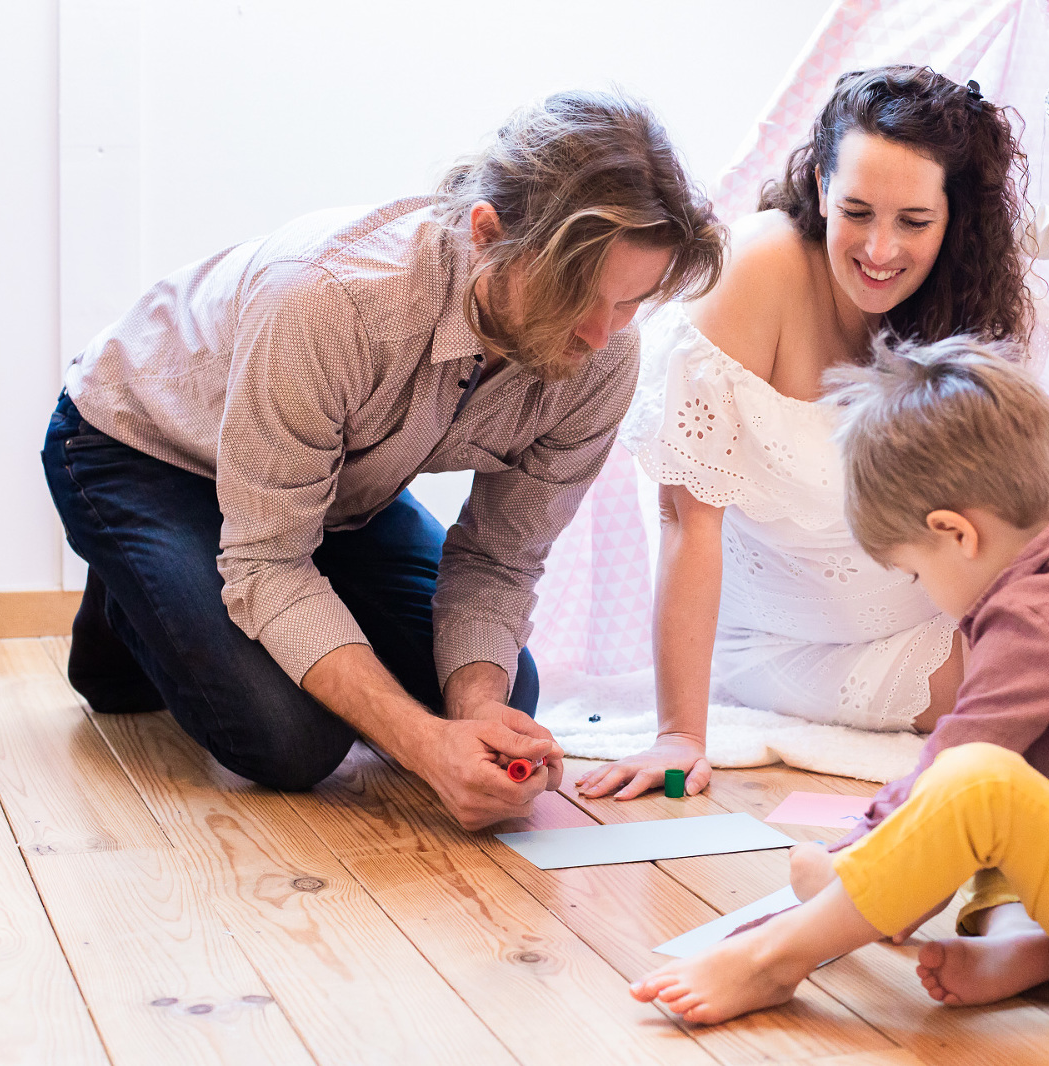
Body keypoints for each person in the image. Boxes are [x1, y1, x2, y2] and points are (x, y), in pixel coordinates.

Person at [42, 91, 724, 829]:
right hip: (140, 447)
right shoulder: (332, 297)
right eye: (578, 296)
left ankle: (188, 586)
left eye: (628, 302)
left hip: (332, 489)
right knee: (289, 742)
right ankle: (131, 590)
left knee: (505, 694)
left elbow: (499, 562)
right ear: (488, 234)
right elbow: (269, 561)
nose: (599, 334)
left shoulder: (605, 354)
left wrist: (472, 717)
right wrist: (429, 747)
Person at [630, 335, 1049, 1022]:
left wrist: (858, 857)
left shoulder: (1039, 620)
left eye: (915, 572)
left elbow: (955, 765)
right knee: (1020, 781)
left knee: (981, 781)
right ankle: (1024, 943)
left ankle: (774, 959)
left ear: (957, 534)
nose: (925, 592)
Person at [578, 66, 1035, 801]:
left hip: (946, 613)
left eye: (913, 222)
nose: (879, 250)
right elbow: (684, 522)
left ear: (954, 221)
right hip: (793, 647)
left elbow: (1005, 521)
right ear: (821, 186)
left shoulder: (970, 304)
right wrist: (679, 737)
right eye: (856, 211)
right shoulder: (755, 274)